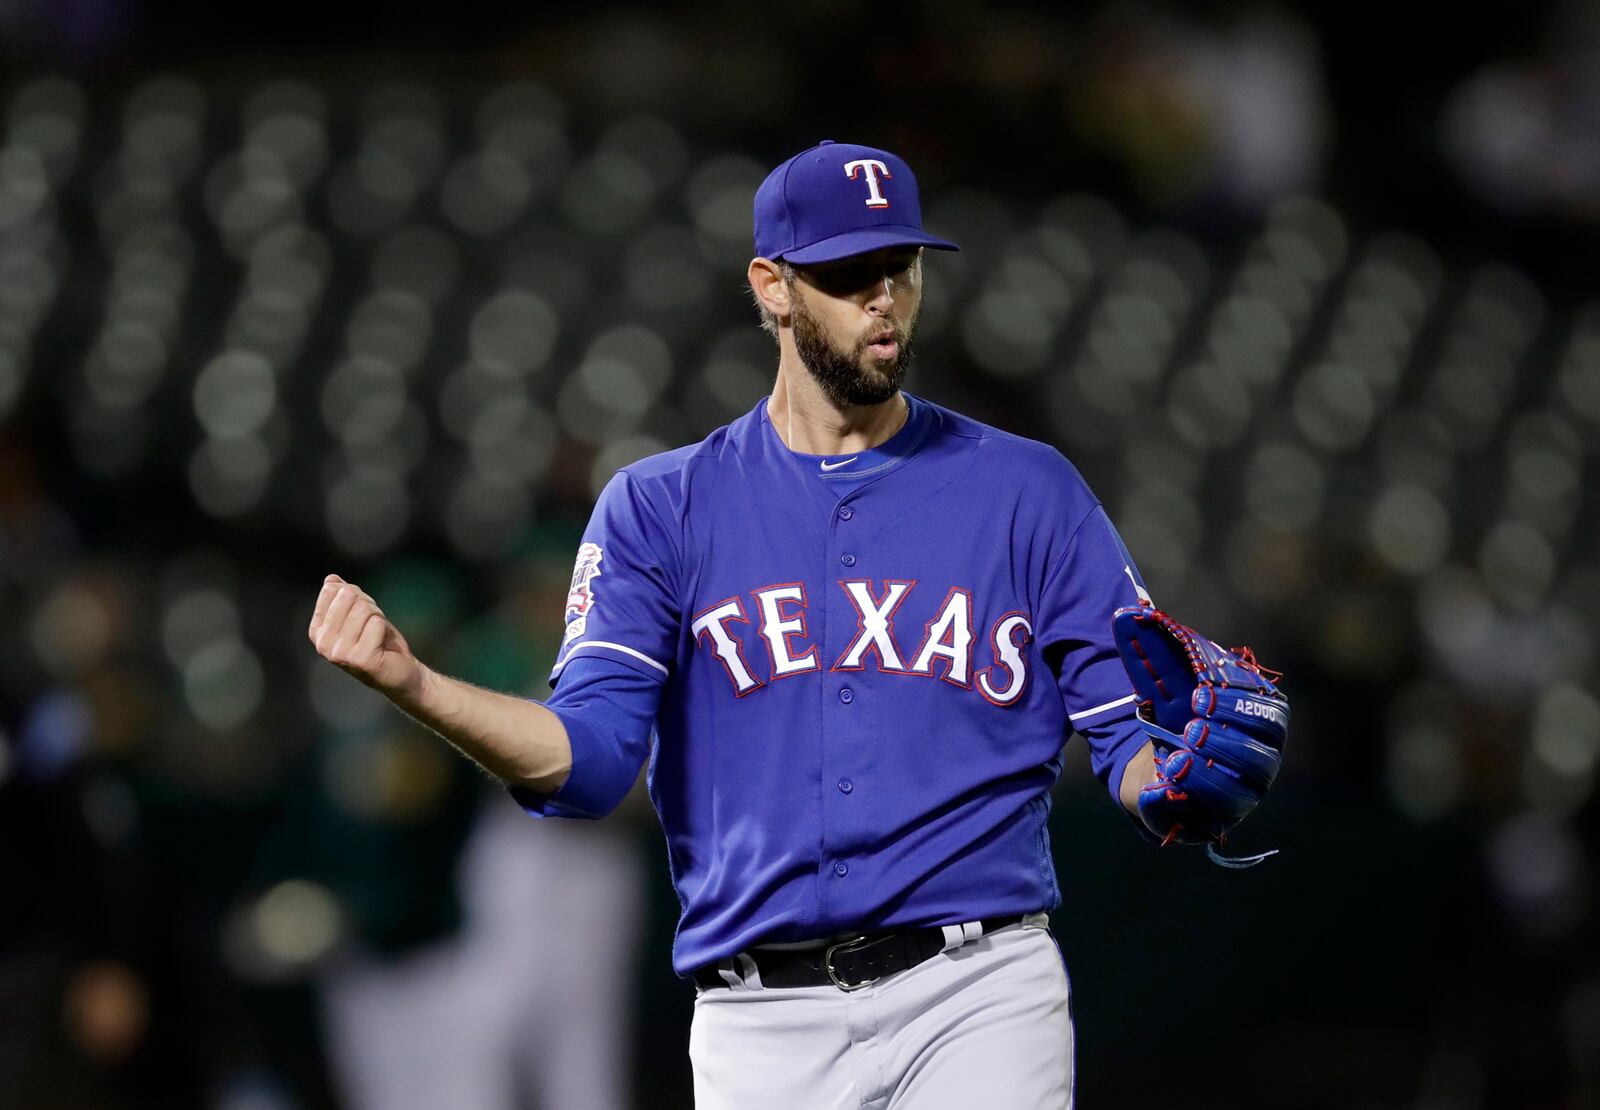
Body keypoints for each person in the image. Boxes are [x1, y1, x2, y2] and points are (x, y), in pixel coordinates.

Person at [307, 140, 1284, 1108]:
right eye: (845, 273)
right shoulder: (661, 507)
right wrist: (417, 687)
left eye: (897, 268)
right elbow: (590, 762)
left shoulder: (1029, 492)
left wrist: (1176, 786)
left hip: (977, 989)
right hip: (758, 1020)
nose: (881, 298)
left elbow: (1128, 743)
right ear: (771, 287)